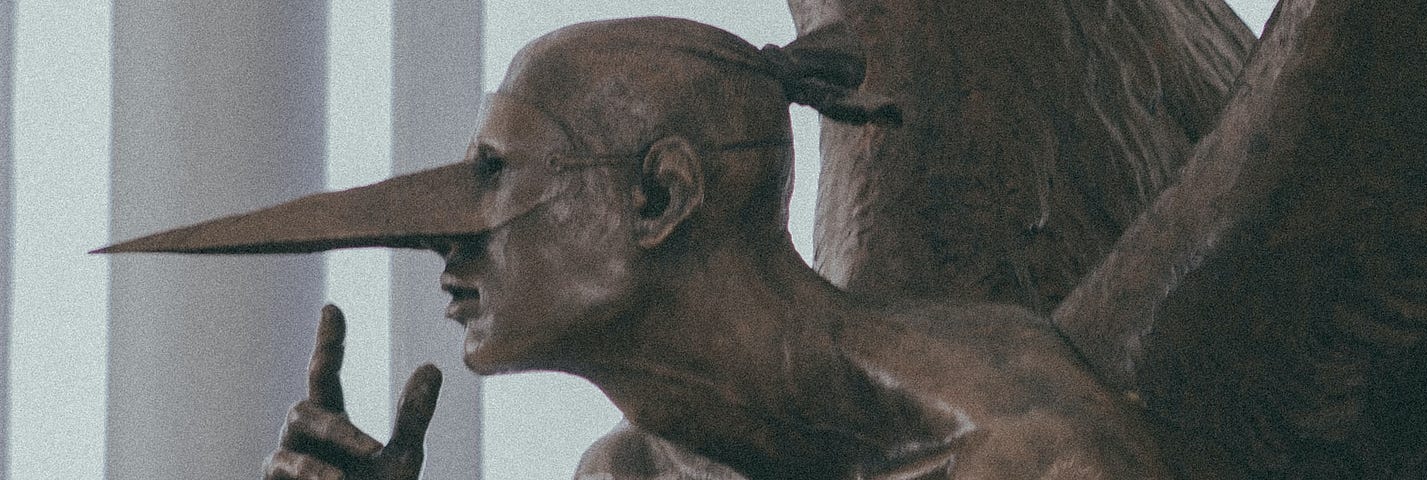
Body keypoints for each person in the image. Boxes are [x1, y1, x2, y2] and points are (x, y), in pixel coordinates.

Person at [99, 16, 1184, 480]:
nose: (439, 238)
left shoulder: (1037, 461)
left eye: (495, 175)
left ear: (660, 193)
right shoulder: (630, 474)